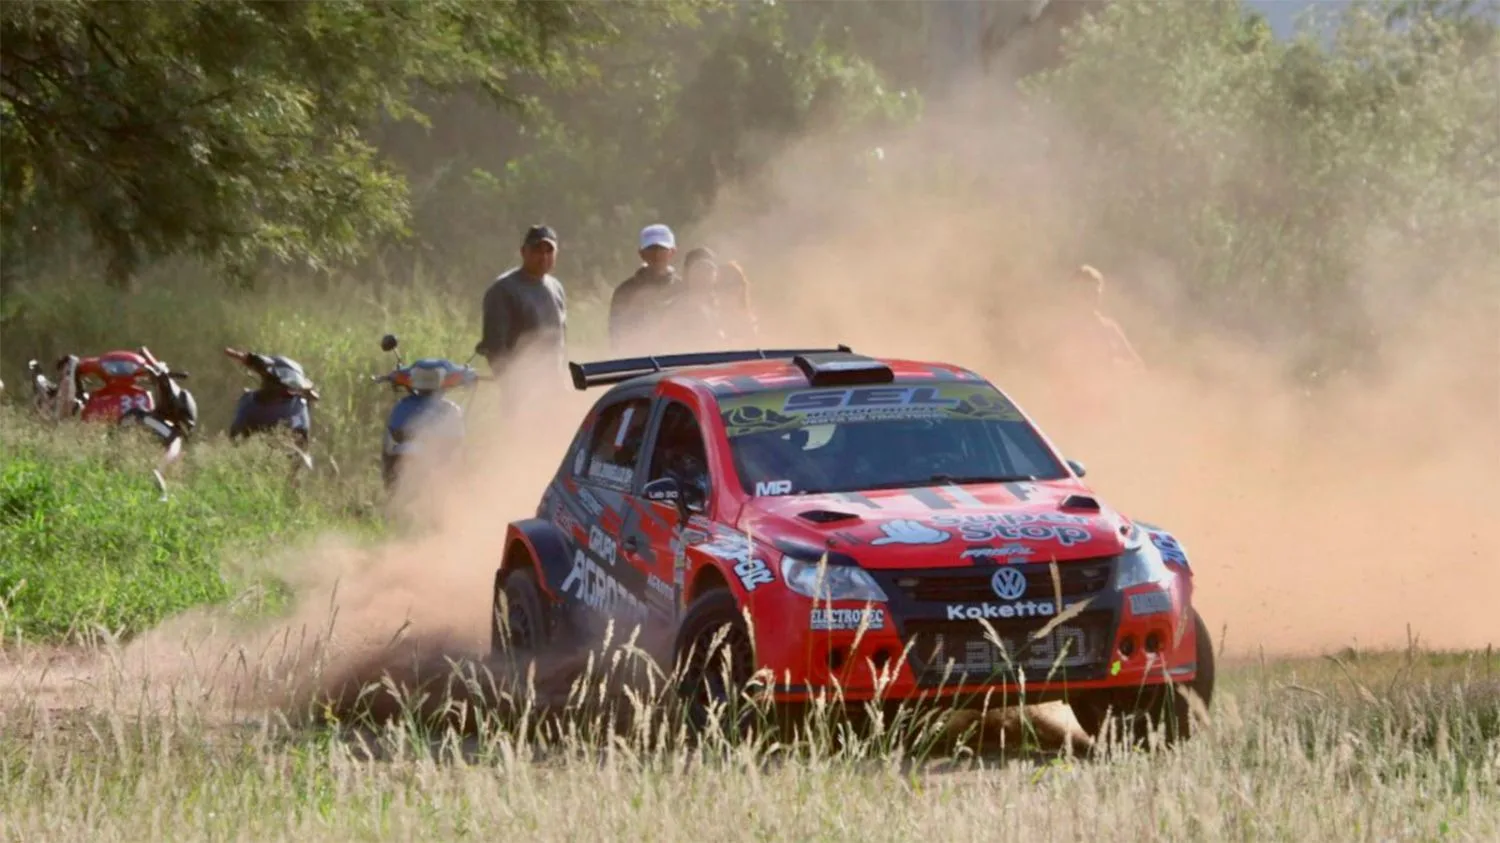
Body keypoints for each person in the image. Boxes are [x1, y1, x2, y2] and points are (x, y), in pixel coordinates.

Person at [474, 224, 568, 379]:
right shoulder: (504, 290)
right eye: (537, 250)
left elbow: (561, 341)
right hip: (522, 387)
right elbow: (495, 347)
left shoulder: (557, 288)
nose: (543, 256)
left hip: (554, 384)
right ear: (523, 252)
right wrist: (512, 384)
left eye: (549, 251)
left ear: (556, 254)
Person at [608, 223, 683, 353]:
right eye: (651, 249)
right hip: (638, 363)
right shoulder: (625, 291)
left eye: (662, 249)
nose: (656, 255)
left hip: (675, 362)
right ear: (641, 253)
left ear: (672, 252)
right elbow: (616, 333)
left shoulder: (683, 289)